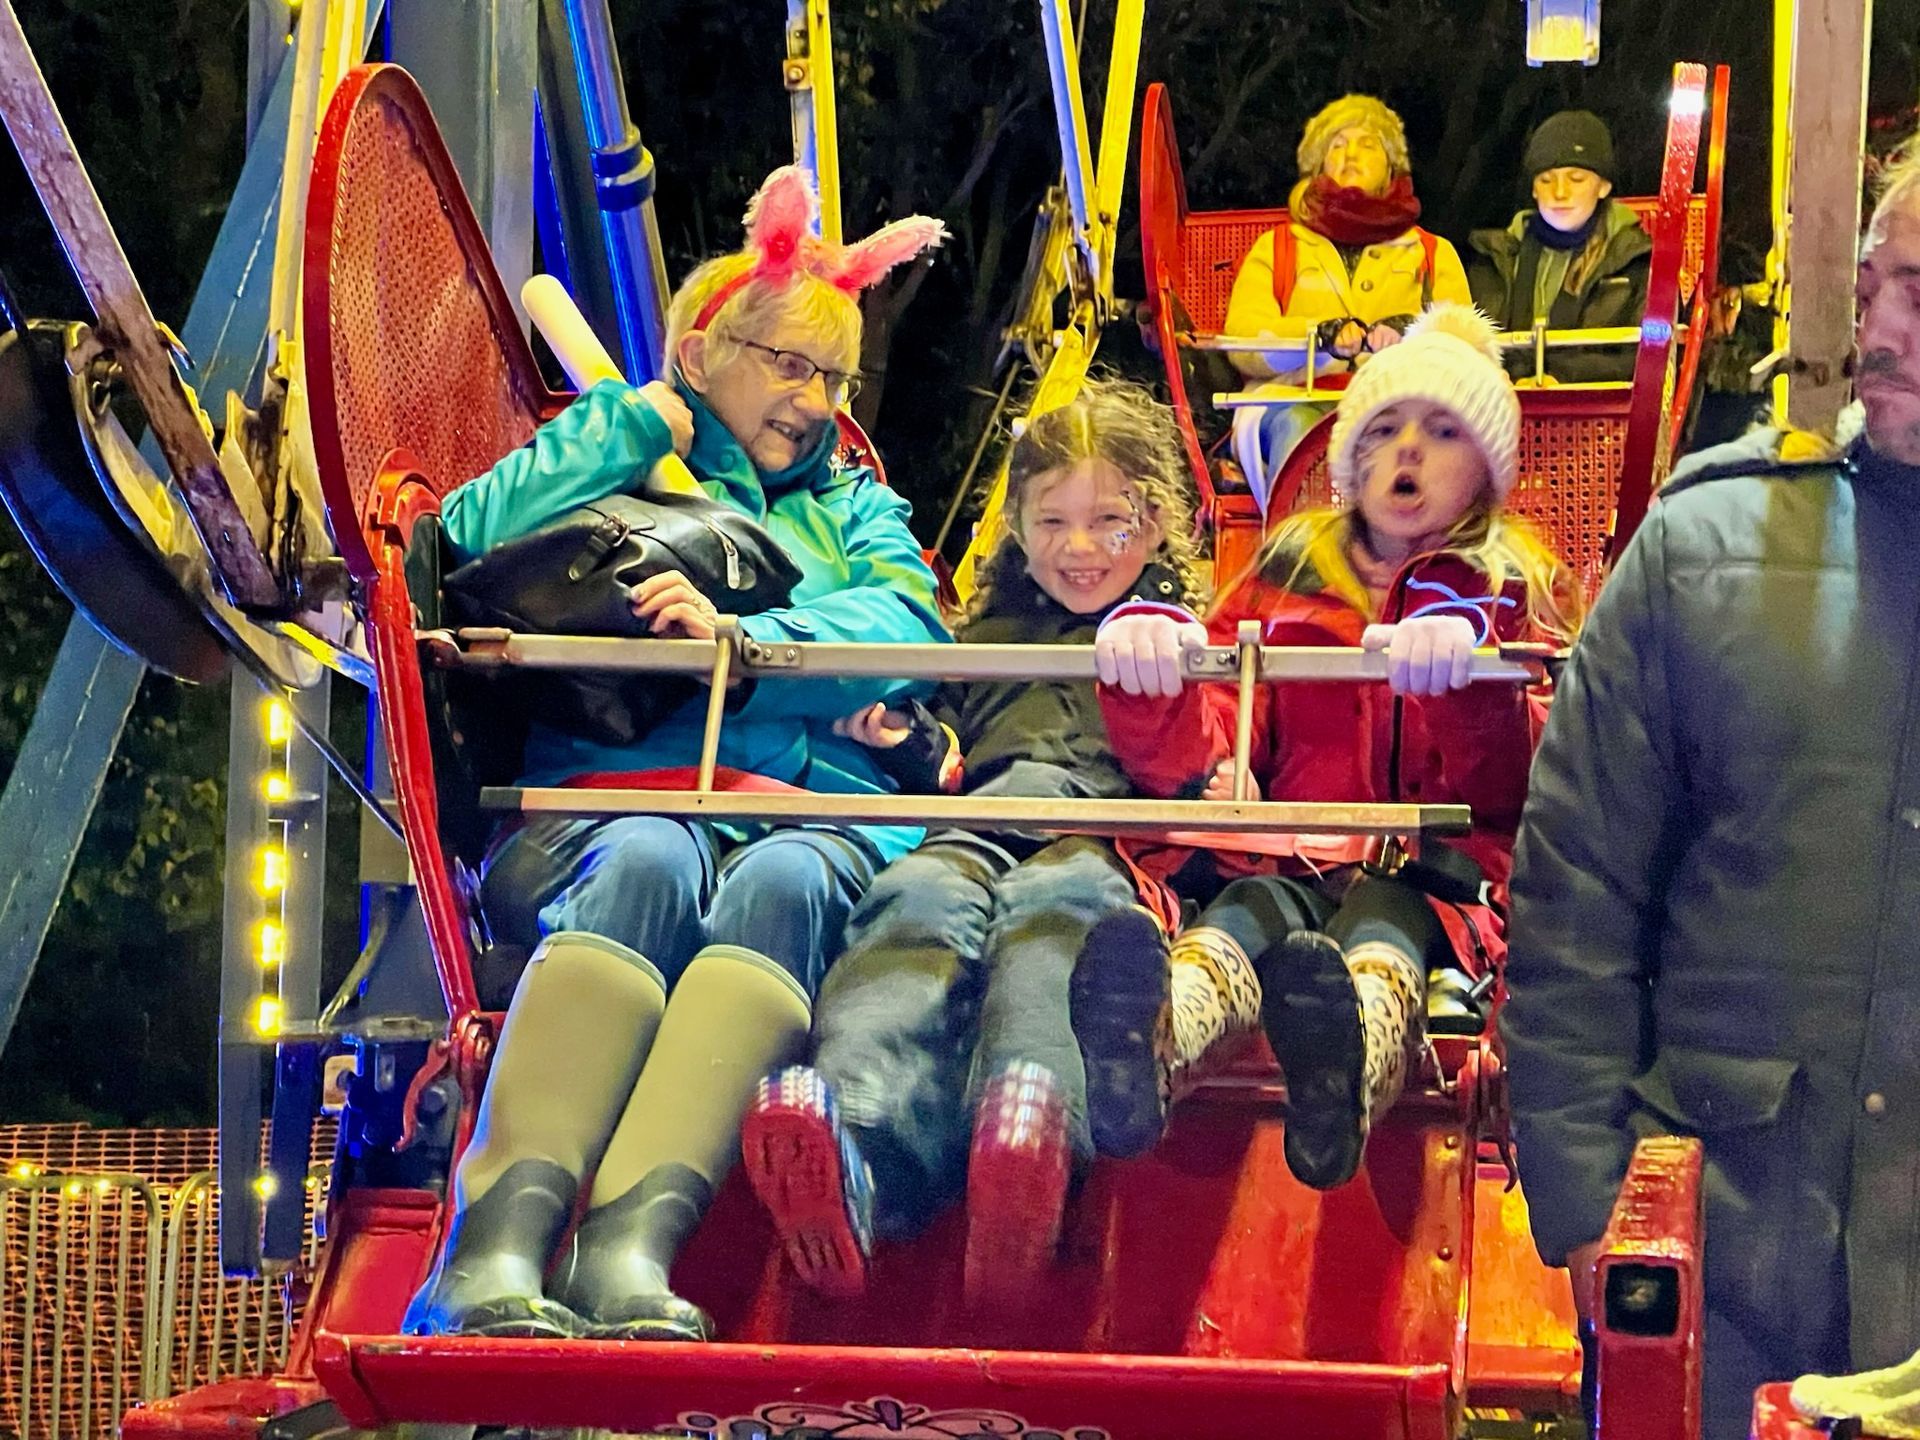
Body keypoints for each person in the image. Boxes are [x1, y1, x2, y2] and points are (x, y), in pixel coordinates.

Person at [403, 167, 950, 1343]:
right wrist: (626, 430)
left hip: (795, 820)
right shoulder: (613, 453)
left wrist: (755, 644)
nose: (813, 400)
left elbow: (911, 626)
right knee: (648, 857)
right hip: (606, 808)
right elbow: (461, 541)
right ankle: (491, 1243)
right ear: (703, 354)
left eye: (833, 376)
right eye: (789, 364)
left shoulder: (854, 512)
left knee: (789, 878)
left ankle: (627, 1249)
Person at [1500, 155, 1920, 1438]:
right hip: (1726, 1269)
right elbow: (1575, 899)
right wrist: (1584, 1213)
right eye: (1878, 283)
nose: (1886, 327)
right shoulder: (1708, 544)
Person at [737, 378, 1205, 1309]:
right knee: (911, 903)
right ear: (1018, 530)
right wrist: (904, 739)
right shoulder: (983, 636)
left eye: (1109, 521)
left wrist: (1178, 683)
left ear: (1154, 528)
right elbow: (942, 746)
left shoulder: (1178, 637)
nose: (1078, 548)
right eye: (1051, 521)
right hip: (977, 821)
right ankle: (862, 1142)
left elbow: (1206, 752)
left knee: (1055, 918)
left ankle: (1027, 1134)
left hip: (1101, 835)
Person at [1095, 304, 1580, 1187]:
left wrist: (1469, 688)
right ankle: (1155, 1042)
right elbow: (1213, 735)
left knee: (1384, 926)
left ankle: (1349, 1075)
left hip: (1435, 869)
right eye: (1385, 430)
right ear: (1351, 458)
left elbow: (1530, 777)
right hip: (1289, 849)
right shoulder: (1285, 575)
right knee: (1244, 918)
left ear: (1486, 471)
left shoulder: (1511, 591)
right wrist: (1155, 689)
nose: (1408, 452)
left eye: (1443, 433)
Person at [1222, 95, 1472, 511]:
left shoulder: (1432, 252)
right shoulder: (1278, 247)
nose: (1350, 154)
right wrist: (1319, 342)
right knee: (1302, 432)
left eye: (1367, 144)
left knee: (1412, 444)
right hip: (1294, 402)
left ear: (1392, 166)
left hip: (1401, 407)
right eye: (1337, 145)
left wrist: (1412, 333)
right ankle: (1302, 557)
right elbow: (1243, 338)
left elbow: (1465, 342)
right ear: (1319, 165)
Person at [1467, 110, 1651, 383]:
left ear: (1603, 187)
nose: (1560, 192)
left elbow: (1646, 359)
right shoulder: (1495, 257)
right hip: (1500, 408)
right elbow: (1462, 344)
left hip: (1596, 415)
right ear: (1533, 189)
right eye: (1545, 180)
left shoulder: (1636, 260)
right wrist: (1494, 375)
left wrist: (1559, 377)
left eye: (1576, 179)